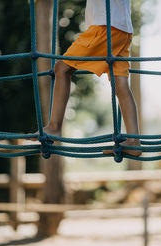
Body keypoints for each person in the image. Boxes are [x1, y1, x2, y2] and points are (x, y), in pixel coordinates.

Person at [40, 0, 141, 156]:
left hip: (105, 26)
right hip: (123, 29)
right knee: (120, 85)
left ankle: (54, 126)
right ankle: (134, 141)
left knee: (62, 68)